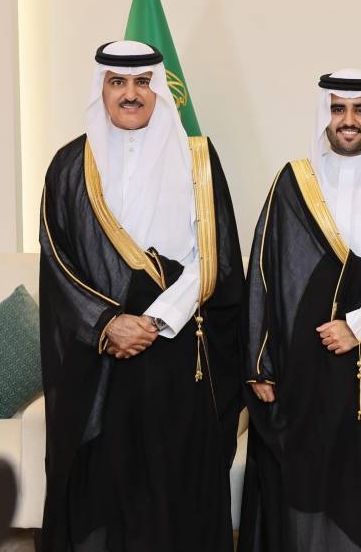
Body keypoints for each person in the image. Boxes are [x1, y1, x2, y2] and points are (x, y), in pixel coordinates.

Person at [38, 40, 245, 551]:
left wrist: (155, 320)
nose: (131, 94)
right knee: (101, 479)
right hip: (98, 353)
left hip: (176, 343)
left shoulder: (197, 158)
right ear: (102, 89)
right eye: (118, 82)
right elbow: (57, 259)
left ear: (159, 90)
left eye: (142, 82)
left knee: (174, 476)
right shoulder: (69, 164)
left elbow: (214, 254)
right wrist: (108, 323)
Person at [240, 69, 361, 551]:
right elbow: (265, 270)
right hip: (307, 363)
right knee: (309, 472)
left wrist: (359, 324)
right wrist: (261, 362)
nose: (349, 120)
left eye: (360, 110)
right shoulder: (293, 182)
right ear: (324, 115)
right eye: (338, 109)